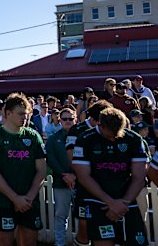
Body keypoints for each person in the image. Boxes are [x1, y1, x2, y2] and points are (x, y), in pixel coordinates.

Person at [72, 107, 148, 246]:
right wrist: (110, 202)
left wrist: (123, 202)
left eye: (117, 133)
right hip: (97, 201)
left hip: (126, 200)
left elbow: (139, 176)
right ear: (100, 125)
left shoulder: (133, 139)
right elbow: (83, 176)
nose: (114, 137)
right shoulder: (85, 139)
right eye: (110, 133)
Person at [0, 93, 47, 246]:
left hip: (29, 200)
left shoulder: (33, 136)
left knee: (29, 241)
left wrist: (29, 197)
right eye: (20, 114)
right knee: (5, 241)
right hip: (4, 201)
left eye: (26, 114)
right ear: (8, 113)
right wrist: (15, 198)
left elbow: (42, 170)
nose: (24, 118)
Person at [65, 100, 112, 246]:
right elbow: (71, 155)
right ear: (92, 118)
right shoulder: (76, 130)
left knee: (105, 223)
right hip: (84, 184)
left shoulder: (108, 129)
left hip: (105, 183)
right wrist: (79, 174)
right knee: (84, 225)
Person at [46, 108, 77, 246]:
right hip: (60, 182)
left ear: (75, 119)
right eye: (65, 119)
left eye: (71, 119)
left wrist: (75, 176)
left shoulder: (83, 136)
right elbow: (51, 158)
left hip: (81, 182)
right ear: (60, 120)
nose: (68, 121)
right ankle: (60, 243)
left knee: (84, 216)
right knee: (60, 216)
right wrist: (65, 175)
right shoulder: (53, 139)